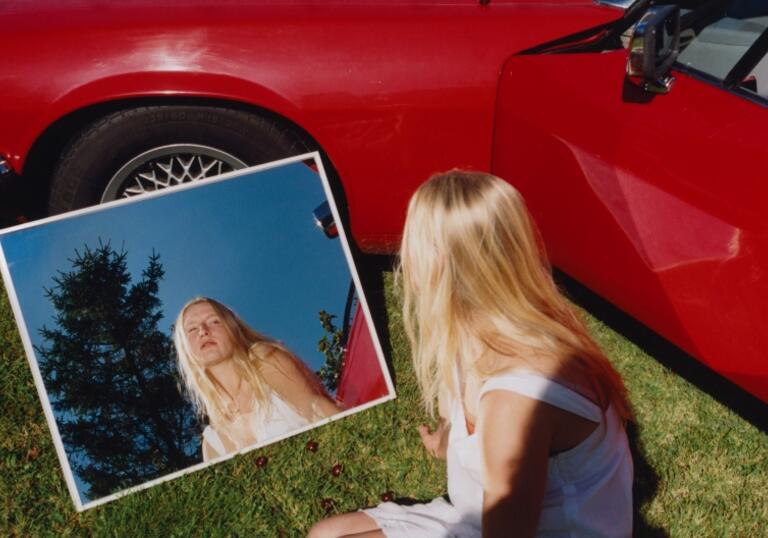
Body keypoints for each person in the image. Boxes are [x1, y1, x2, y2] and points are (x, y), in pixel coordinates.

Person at [309, 171, 634, 537]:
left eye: (413, 241)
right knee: (326, 534)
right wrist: (451, 438)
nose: (404, 255)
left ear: (441, 262)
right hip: (483, 512)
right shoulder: (486, 330)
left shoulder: (514, 401)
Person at [174, 297, 342, 462]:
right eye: (192, 329)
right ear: (185, 348)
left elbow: (317, 408)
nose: (203, 331)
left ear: (233, 329)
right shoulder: (213, 443)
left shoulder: (264, 361)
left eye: (214, 321)